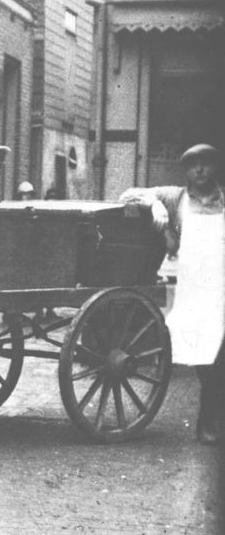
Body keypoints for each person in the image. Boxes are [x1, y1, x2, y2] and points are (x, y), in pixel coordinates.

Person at [119, 143, 224, 444]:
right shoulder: (175, 197)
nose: (200, 170)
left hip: (220, 286)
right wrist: (155, 204)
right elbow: (128, 194)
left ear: (215, 167)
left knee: (218, 356)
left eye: (206, 164)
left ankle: (208, 419)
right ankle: (209, 416)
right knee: (204, 357)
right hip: (191, 289)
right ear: (186, 170)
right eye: (193, 165)